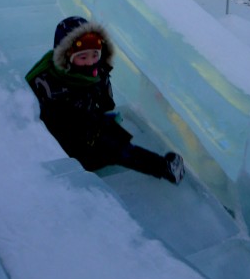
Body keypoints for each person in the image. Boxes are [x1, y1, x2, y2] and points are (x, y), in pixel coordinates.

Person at [25, 16, 185, 183]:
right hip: (67, 146)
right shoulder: (52, 85)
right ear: (66, 57)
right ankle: (164, 168)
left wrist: (101, 82)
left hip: (83, 122)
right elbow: (67, 126)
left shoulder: (90, 72)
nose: (90, 62)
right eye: (83, 57)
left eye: (95, 55)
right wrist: (101, 131)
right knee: (115, 147)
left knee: (110, 133)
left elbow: (106, 103)